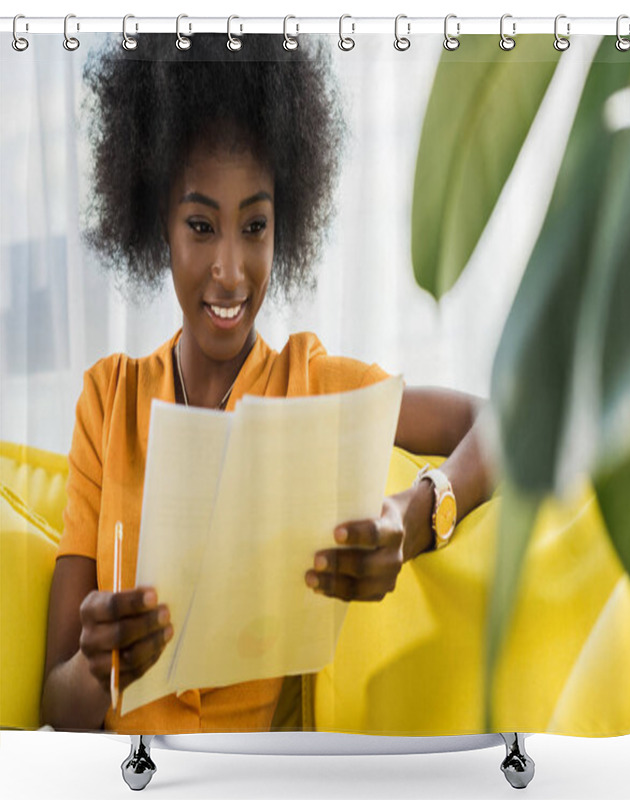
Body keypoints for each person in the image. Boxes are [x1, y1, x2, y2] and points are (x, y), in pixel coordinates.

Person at [40, 34, 493, 734]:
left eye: (254, 226)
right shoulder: (109, 401)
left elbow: (498, 424)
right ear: (158, 224)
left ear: (287, 223)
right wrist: (95, 667)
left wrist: (414, 514)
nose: (230, 269)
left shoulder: (315, 385)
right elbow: (55, 709)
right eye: (200, 226)